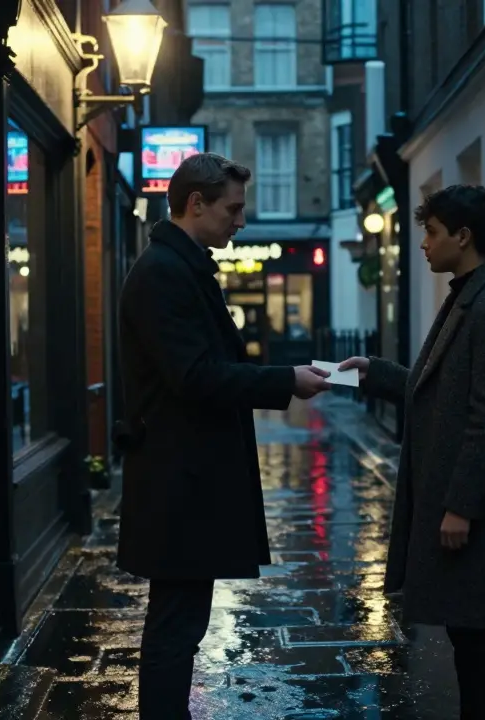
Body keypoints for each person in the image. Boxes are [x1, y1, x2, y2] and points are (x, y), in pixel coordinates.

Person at [115, 152, 331, 718]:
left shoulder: (181, 267)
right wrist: (285, 380)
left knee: (183, 622)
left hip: (188, 477)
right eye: (232, 209)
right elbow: (194, 376)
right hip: (179, 480)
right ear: (195, 203)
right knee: (175, 626)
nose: (240, 221)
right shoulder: (165, 273)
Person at [340, 184, 485, 719]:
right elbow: (441, 390)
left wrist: (460, 506)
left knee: (481, 639)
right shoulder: (467, 295)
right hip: (453, 500)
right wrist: (374, 373)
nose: (422, 243)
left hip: (472, 511)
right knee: (469, 634)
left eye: (430, 231)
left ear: (463, 236)